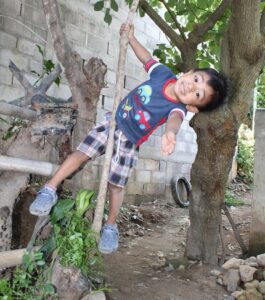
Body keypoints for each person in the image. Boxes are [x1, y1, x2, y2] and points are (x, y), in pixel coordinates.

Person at [29, 23, 229, 254]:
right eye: (196, 79)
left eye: (197, 94)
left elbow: (173, 121)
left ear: (193, 107)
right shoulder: (163, 74)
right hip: (112, 122)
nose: (191, 87)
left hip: (129, 142)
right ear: (189, 72)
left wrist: (170, 134)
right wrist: (131, 38)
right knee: (80, 154)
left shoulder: (178, 109)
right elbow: (146, 58)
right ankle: (50, 189)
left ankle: (110, 226)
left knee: (116, 185)